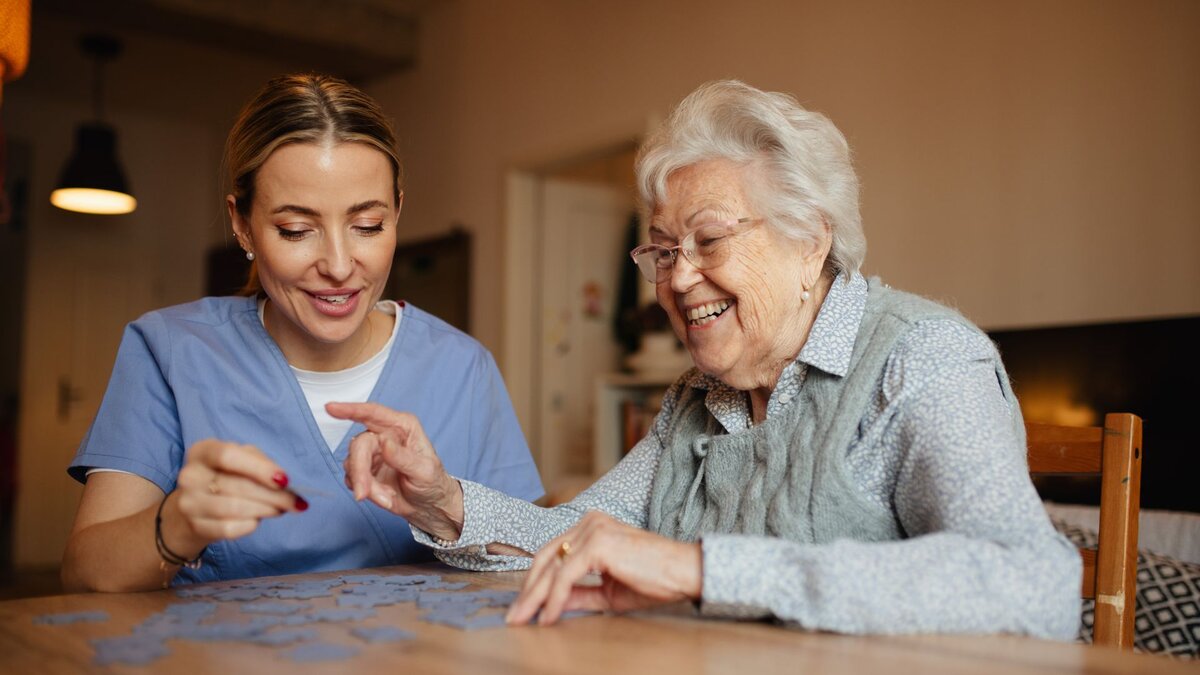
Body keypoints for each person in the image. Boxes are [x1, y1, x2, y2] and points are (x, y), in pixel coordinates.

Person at [336, 79, 1082, 639]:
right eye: (663, 251)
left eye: (710, 240)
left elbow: (1033, 581)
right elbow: (578, 538)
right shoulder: (698, 396)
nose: (678, 278)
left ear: (810, 240)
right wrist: (440, 500)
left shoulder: (921, 359)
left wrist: (699, 568)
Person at [61, 74, 543, 592]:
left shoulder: (462, 368)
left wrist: (447, 504)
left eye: (368, 225)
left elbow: (536, 562)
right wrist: (177, 524)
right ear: (242, 224)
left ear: (397, 213)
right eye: (296, 230)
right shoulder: (170, 351)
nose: (338, 266)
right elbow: (85, 578)